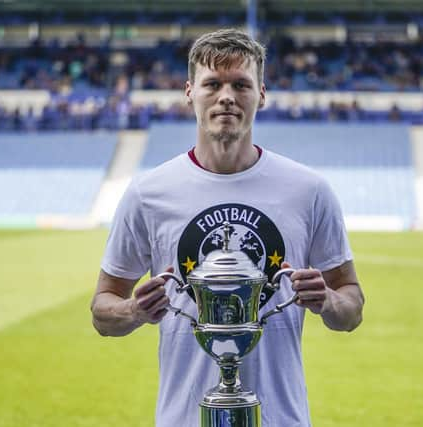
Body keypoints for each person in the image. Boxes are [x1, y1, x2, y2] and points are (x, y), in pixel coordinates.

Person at [91, 28, 365, 427]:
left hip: (280, 419)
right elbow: (102, 310)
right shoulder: (148, 194)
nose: (226, 96)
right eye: (212, 84)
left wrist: (328, 300)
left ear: (262, 94)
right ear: (189, 92)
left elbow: (352, 306)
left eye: (241, 84)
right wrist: (135, 310)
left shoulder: (309, 190)